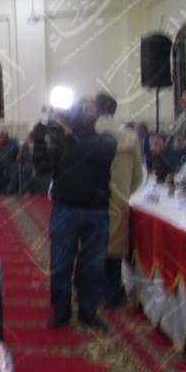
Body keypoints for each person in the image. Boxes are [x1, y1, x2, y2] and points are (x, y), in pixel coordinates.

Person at [33, 98, 117, 331]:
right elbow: (42, 168)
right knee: (61, 264)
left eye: (91, 107)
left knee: (93, 266)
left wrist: (68, 135)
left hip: (97, 212)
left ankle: (88, 311)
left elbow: (100, 150)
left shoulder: (105, 140)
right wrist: (40, 138)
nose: (87, 110)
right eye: (83, 107)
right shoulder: (62, 141)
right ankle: (61, 311)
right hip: (65, 210)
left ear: (97, 113)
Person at [95, 93, 143, 308]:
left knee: (91, 247)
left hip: (91, 199)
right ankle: (112, 294)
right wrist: (124, 192)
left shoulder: (88, 133)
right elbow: (138, 176)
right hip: (119, 200)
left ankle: (91, 293)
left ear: (95, 109)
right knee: (114, 251)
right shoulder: (130, 137)